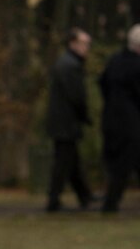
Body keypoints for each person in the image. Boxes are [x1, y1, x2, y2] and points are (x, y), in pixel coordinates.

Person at [45, 27, 95, 212]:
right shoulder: (70, 66)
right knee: (63, 162)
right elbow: (76, 96)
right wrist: (84, 116)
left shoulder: (67, 63)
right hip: (65, 122)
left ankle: (84, 195)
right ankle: (53, 199)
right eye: (84, 44)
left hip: (63, 121)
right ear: (73, 44)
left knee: (71, 161)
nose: (87, 48)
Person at [98, 23, 140, 212]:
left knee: (120, 163)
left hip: (111, 117)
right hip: (130, 122)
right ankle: (110, 203)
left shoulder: (115, 60)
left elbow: (102, 83)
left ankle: (111, 202)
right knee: (124, 164)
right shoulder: (136, 66)